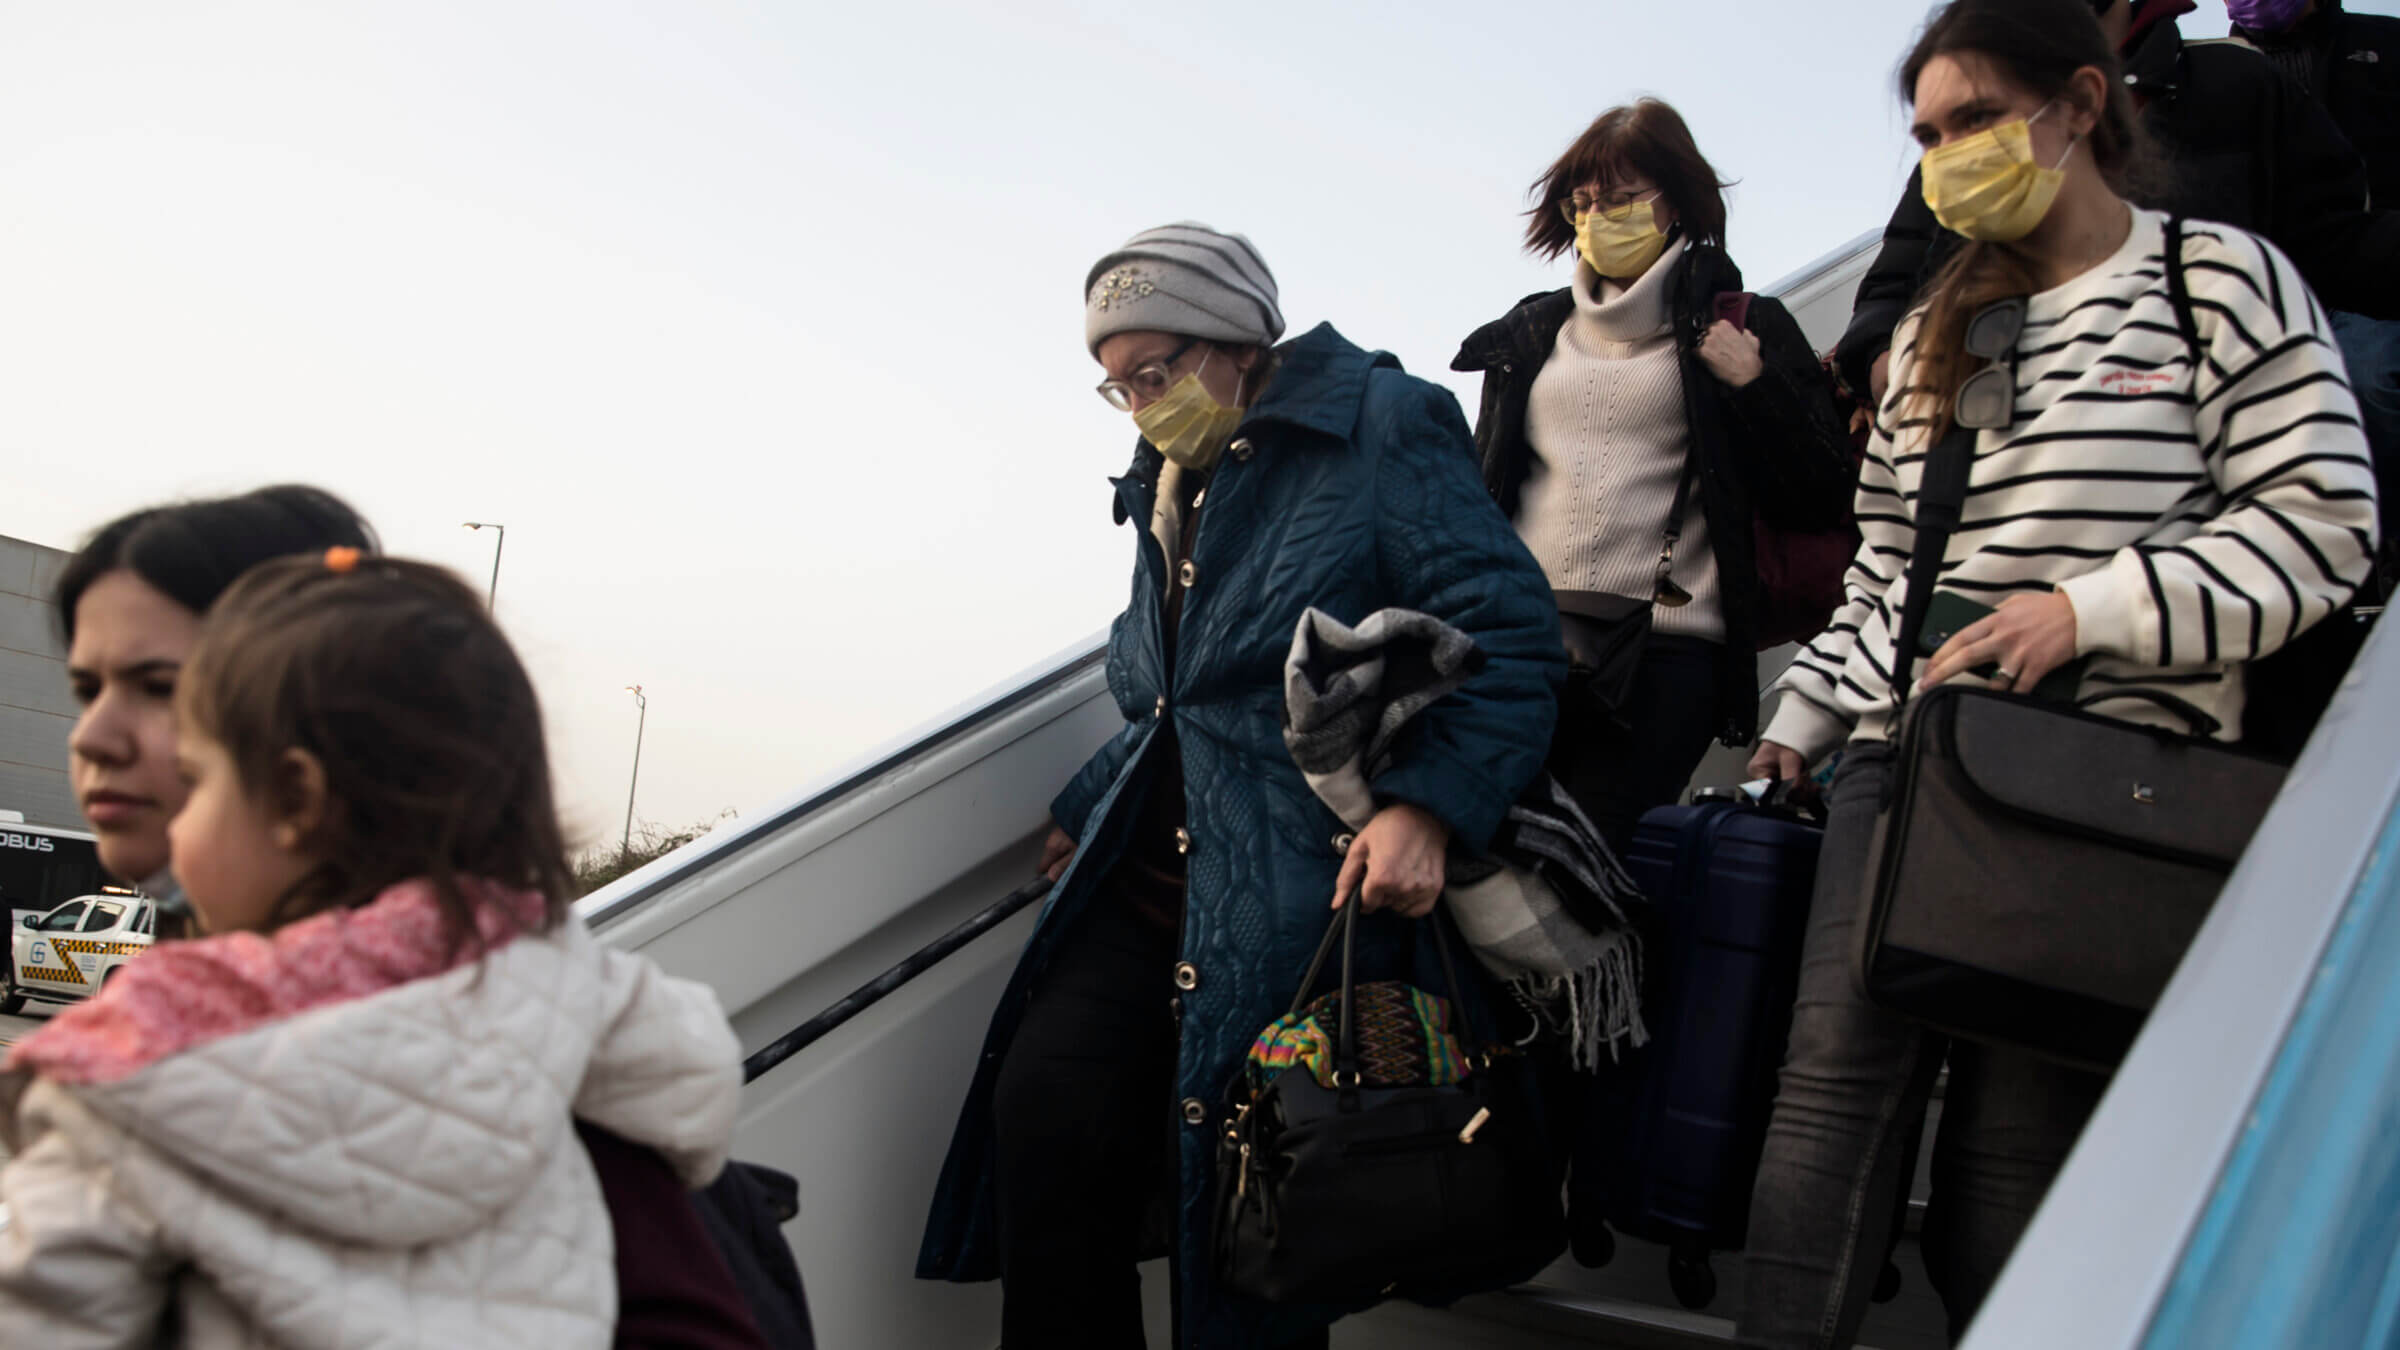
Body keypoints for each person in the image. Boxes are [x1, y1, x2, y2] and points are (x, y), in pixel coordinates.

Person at [1738, 0, 2377, 1344]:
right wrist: (1800, 720)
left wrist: (2085, 611)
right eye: (1925, 134)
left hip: (2112, 773)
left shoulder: (2221, 281)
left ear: (2081, 104)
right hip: (1908, 760)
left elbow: (2325, 522)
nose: (1946, 154)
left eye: (1973, 119)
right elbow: (1882, 575)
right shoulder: (1926, 335)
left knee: (2022, 1134)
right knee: (1826, 1103)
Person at [917, 223, 1566, 1350]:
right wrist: (1090, 802)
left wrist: (1425, 808)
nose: (1141, 404)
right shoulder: (1168, 477)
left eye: (1157, 371)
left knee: (1265, 1200)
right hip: (1149, 878)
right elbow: (1174, 690)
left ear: (1239, 340)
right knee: (1047, 1117)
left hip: (1293, 884)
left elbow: (1510, 635)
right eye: (1115, 386)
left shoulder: (1380, 424)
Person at [50, 485, 777, 1349]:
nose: (93, 735)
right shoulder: (587, 1028)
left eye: (159, 687)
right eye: (85, 686)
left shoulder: (544, 1099)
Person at [1452, 98, 1856, 851]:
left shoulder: (1745, 323)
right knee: (1480, 855)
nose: (1599, 215)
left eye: (1623, 197)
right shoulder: (1532, 333)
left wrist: (1755, 386)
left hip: (1669, 653)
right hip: (1523, 645)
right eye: (1583, 201)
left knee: (1587, 865)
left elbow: (1826, 491)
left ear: (1677, 198)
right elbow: (1488, 495)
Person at [1835, 0, 2400, 412]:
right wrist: (1886, 361)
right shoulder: (1968, 141)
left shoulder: (2238, 83)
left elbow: (2334, 246)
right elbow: (1895, 286)